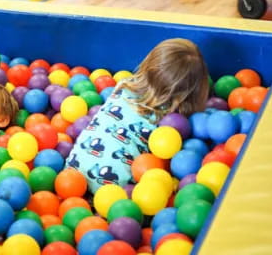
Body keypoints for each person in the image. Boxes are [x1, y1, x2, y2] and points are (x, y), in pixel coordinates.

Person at [65, 38, 210, 194]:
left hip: (71, 173)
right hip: (118, 190)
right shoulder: (170, 119)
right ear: (192, 92)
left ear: (148, 64)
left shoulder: (124, 85)